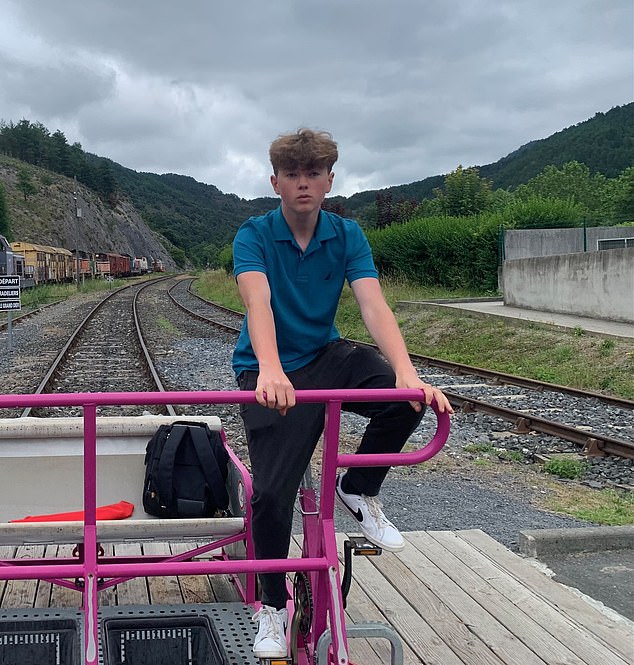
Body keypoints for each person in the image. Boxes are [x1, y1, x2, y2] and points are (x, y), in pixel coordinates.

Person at [232, 128, 453, 659]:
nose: (303, 183)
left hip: (324, 358)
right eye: (293, 174)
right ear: (276, 182)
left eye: (313, 173)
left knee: (404, 399)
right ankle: (271, 608)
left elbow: (373, 306)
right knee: (271, 496)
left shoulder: (346, 234)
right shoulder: (254, 235)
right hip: (267, 372)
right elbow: (257, 303)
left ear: (330, 180)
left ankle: (358, 489)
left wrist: (406, 371)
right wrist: (269, 369)